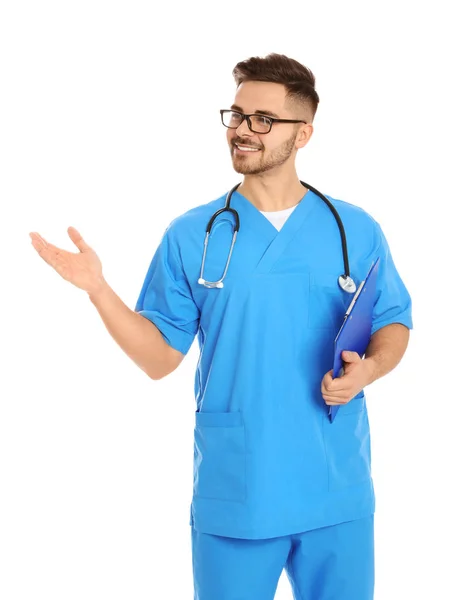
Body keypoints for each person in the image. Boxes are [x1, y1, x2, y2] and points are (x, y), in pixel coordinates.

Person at [29, 53, 412, 600]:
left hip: (336, 487)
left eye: (262, 119)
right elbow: (160, 358)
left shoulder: (353, 227)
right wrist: (99, 290)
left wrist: (370, 369)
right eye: (235, 115)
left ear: (302, 134)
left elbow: (393, 323)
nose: (242, 131)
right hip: (239, 489)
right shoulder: (193, 234)